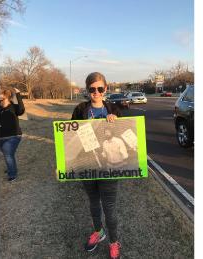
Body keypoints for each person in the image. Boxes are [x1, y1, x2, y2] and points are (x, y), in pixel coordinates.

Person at [71, 72, 122, 259]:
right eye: (92, 89)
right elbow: (70, 136)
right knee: (93, 202)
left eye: (100, 88)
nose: (96, 92)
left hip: (109, 167)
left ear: (105, 89)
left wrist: (115, 120)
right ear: (87, 90)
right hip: (88, 164)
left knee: (109, 207)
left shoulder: (114, 109)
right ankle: (98, 232)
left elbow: (124, 133)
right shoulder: (80, 109)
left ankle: (114, 241)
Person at [0, 86, 25, 182]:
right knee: (8, 154)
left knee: (8, 154)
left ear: (6, 96)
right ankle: (11, 167)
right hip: (0, 136)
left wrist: (18, 94)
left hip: (13, 136)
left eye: (1, 94)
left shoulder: (14, 107)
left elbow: (21, 110)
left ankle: (12, 174)